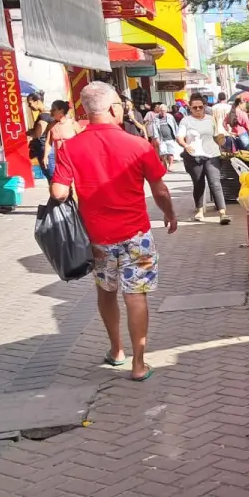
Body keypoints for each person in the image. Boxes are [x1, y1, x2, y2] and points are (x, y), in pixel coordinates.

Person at [50, 81, 177, 382]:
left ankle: (116, 350)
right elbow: (159, 190)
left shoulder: (71, 146)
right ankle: (139, 363)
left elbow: (58, 192)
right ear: (112, 108)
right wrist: (169, 214)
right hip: (136, 235)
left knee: (106, 291)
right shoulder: (138, 144)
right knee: (136, 294)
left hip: (97, 239)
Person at [177, 92, 230, 225]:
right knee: (199, 183)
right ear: (190, 108)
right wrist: (185, 145)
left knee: (215, 183)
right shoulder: (186, 120)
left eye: (201, 107)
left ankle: (223, 213)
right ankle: (200, 210)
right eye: (195, 108)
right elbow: (179, 136)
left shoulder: (211, 119)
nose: (198, 110)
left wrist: (223, 138)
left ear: (205, 106)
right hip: (194, 156)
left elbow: (218, 135)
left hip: (212, 155)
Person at [45, 100, 82, 178]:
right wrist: (45, 156)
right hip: (59, 161)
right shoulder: (51, 126)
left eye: (53, 109)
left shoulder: (73, 124)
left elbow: (82, 141)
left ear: (61, 111)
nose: (51, 112)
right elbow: (48, 143)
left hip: (73, 159)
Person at [145, 102, 182, 170]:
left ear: (166, 110)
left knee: (170, 152)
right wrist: (156, 138)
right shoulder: (156, 118)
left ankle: (170, 165)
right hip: (161, 138)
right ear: (159, 111)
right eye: (161, 111)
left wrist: (177, 135)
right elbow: (155, 128)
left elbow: (175, 126)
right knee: (162, 152)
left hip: (170, 137)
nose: (163, 112)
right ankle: (164, 163)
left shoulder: (170, 117)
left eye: (164, 110)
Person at [26, 92, 54, 182]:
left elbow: (38, 134)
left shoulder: (43, 116)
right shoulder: (50, 113)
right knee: (53, 176)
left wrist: (29, 133)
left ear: (37, 101)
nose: (29, 106)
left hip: (44, 150)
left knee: (51, 176)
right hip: (50, 148)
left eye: (30, 103)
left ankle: (60, 195)